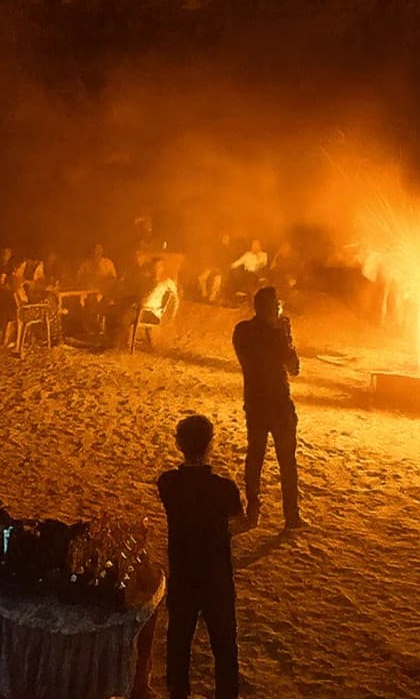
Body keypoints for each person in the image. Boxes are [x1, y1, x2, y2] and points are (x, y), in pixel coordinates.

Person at [157, 414, 243, 699]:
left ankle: (178, 693)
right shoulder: (224, 488)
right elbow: (238, 522)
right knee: (224, 644)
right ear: (211, 444)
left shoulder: (167, 483)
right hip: (216, 575)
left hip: (183, 573)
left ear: (179, 444)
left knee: (179, 640)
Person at [232, 286, 304, 529]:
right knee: (286, 461)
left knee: (255, 458)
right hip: (279, 405)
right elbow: (293, 368)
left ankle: (253, 512)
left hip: (254, 403)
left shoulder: (241, 331)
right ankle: (291, 516)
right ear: (271, 308)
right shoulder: (276, 336)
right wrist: (286, 335)